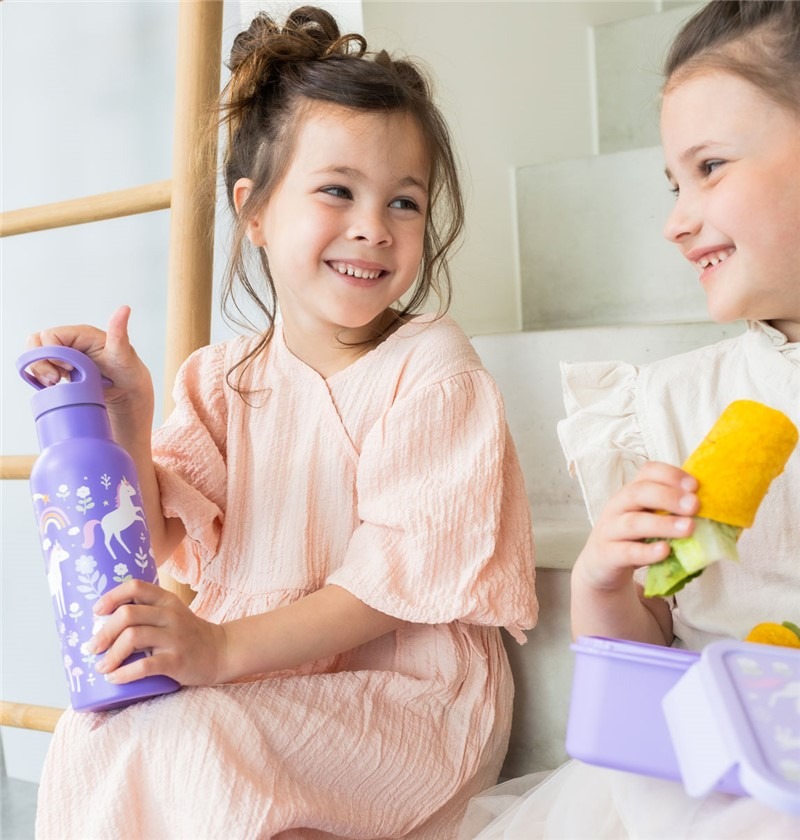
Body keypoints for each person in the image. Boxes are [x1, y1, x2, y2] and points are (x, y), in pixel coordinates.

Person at [26, 8, 537, 838]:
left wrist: (221, 651)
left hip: (409, 699)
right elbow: (152, 536)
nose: (374, 226)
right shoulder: (221, 379)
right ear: (255, 213)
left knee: (197, 741)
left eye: (404, 202)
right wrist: (128, 414)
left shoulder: (431, 368)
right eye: (338, 190)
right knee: (90, 736)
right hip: (267, 685)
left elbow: (388, 585)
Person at [460, 1, 800, 837]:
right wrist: (602, 583)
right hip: (708, 779)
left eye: (711, 167)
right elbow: (639, 669)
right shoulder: (671, 405)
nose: (676, 220)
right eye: (675, 184)